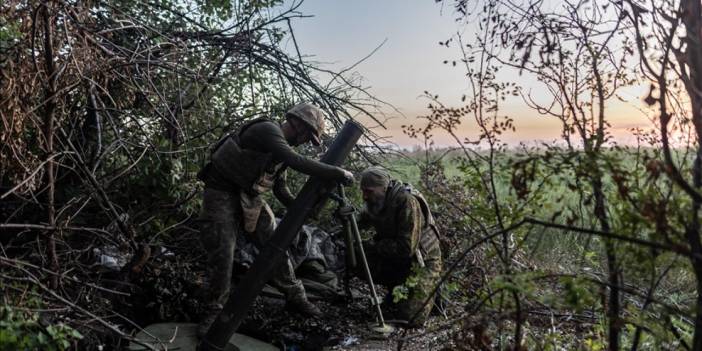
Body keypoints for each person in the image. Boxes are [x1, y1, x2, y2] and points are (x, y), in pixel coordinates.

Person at [196, 103, 354, 337]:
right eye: (307, 136)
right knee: (223, 253)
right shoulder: (268, 130)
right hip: (221, 191)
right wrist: (337, 173)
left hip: (249, 197)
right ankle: (214, 311)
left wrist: (301, 210)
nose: (304, 142)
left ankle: (295, 296)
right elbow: (296, 161)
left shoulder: (280, 151)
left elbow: (280, 189)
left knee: (276, 244)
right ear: (297, 124)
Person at [356, 166, 442, 327]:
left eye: (368, 191)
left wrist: (374, 245)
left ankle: (432, 290)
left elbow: (406, 248)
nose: (364, 196)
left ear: (383, 188)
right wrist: (344, 219)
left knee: (410, 319)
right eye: (363, 191)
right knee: (356, 259)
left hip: (422, 262)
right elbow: (359, 222)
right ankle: (395, 288)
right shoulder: (376, 201)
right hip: (397, 259)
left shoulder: (406, 201)